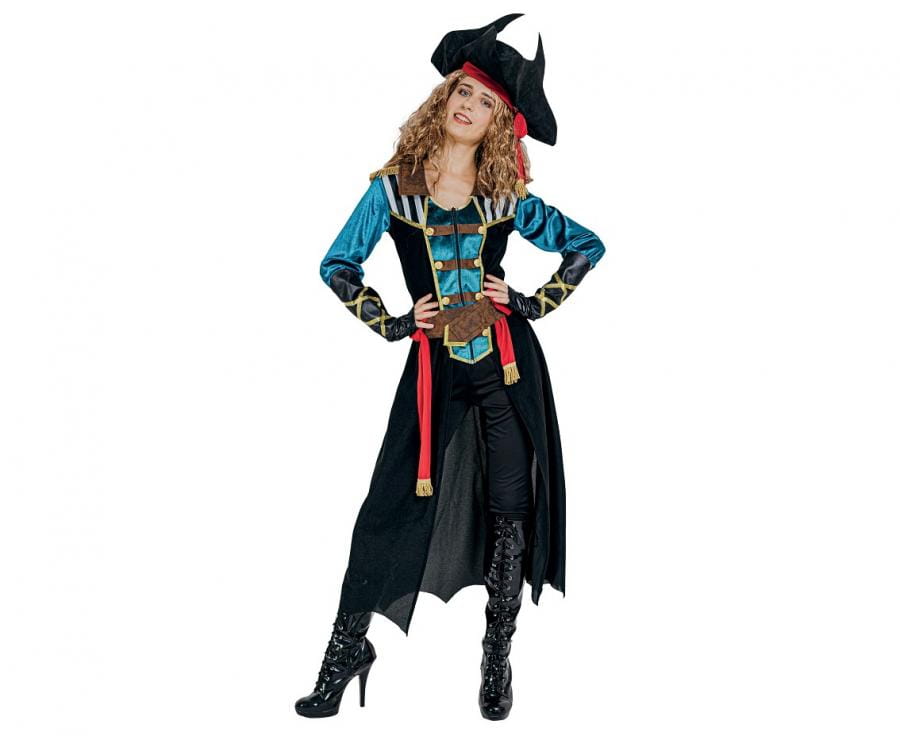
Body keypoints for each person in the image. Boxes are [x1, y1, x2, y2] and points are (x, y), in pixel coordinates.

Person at [294, 13, 606, 720]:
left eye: (485, 102)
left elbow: (587, 245)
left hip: (507, 373)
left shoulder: (505, 197)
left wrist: (530, 301)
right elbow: (337, 264)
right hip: (433, 375)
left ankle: (497, 658)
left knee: (510, 514)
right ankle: (345, 653)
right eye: (463, 92)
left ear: (498, 124)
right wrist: (395, 322)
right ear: (444, 99)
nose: (468, 105)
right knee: (386, 513)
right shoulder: (396, 189)